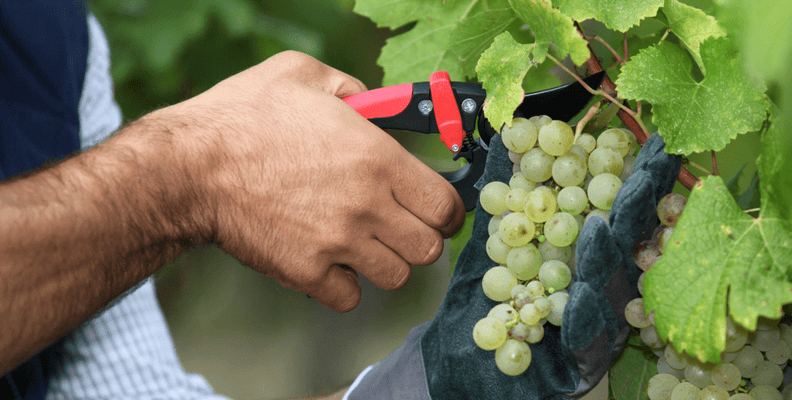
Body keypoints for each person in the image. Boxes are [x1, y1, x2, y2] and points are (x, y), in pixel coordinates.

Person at [1, 1, 464, 398]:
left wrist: (437, 385)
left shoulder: (58, 36)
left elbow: (137, 392)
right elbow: (196, 171)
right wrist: (197, 171)